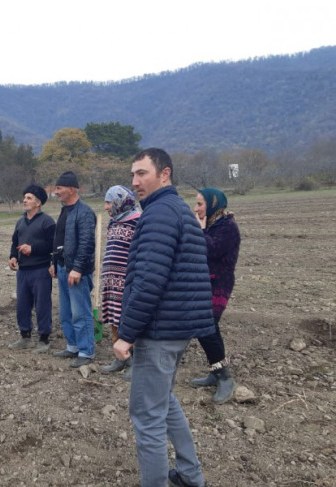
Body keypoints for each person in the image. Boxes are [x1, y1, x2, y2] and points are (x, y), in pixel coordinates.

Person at [113, 148, 214, 487]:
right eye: (133, 175)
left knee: (147, 416)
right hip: (176, 329)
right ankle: (189, 474)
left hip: (159, 333)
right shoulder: (177, 211)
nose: (135, 181)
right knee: (164, 402)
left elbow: (149, 282)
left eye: (142, 173)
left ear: (165, 174)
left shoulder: (158, 215)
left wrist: (125, 334)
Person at [190, 187, 241, 404]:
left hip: (219, 283)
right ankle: (216, 370)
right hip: (204, 282)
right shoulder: (213, 224)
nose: (196, 208)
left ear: (212, 204)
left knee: (207, 327)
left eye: (200, 204)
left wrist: (200, 230)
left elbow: (209, 250)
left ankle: (224, 378)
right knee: (206, 328)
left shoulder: (227, 227)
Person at [49, 171, 96, 368]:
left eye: (59, 188)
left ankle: (86, 351)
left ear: (72, 189)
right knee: (66, 311)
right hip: (62, 268)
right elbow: (59, 240)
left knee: (80, 311)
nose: (56, 192)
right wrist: (53, 262)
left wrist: (77, 268)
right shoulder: (64, 210)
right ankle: (73, 346)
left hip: (77, 272)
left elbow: (86, 243)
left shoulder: (84, 212)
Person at [8, 184, 56, 353]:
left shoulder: (47, 222)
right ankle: (25, 337)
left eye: (28, 198)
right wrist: (13, 256)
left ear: (38, 203)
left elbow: (53, 245)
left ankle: (44, 338)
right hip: (23, 271)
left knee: (42, 305)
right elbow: (15, 242)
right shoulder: (20, 222)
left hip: (41, 270)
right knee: (22, 304)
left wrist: (33, 248)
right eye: (25, 198)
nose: (24, 201)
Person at [99, 185, 141, 377]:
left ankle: (136, 361)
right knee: (114, 319)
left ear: (119, 201)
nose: (106, 207)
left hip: (126, 282)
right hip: (111, 282)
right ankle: (120, 358)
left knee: (128, 318)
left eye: (109, 202)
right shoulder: (113, 222)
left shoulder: (138, 221)